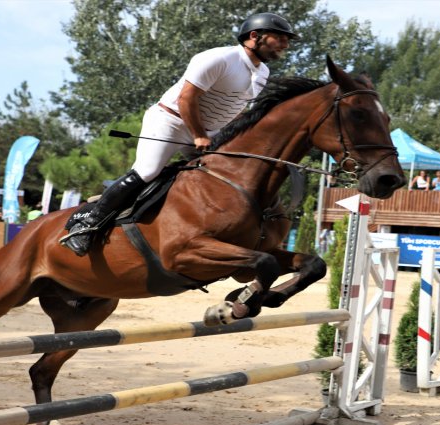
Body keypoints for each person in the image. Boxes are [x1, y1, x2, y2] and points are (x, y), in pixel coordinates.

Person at [61, 12, 298, 256]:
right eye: (279, 37)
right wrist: (199, 135)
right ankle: (86, 226)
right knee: (148, 170)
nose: (285, 44)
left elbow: (233, 111)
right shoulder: (219, 58)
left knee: (232, 174)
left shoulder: (262, 74)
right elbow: (187, 99)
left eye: (287, 40)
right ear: (254, 36)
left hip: (209, 130)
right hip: (170, 120)